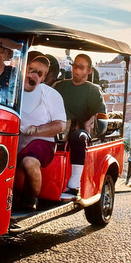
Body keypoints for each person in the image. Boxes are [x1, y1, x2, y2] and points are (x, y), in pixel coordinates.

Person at [17, 56, 67, 211]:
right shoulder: (12, 89)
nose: (32, 75)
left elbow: (60, 125)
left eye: (38, 73)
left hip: (41, 141)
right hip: (12, 137)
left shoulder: (51, 95)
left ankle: (29, 201)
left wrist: (36, 130)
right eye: (30, 70)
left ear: (44, 77)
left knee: (29, 163)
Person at [54, 53, 106, 196]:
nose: (76, 70)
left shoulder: (93, 90)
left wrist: (88, 122)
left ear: (89, 70)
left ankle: (74, 184)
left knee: (78, 137)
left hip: (78, 129)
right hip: (57, 126)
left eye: (81, 67)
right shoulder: (60, 86)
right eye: (75, 66)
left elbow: (100, 113)